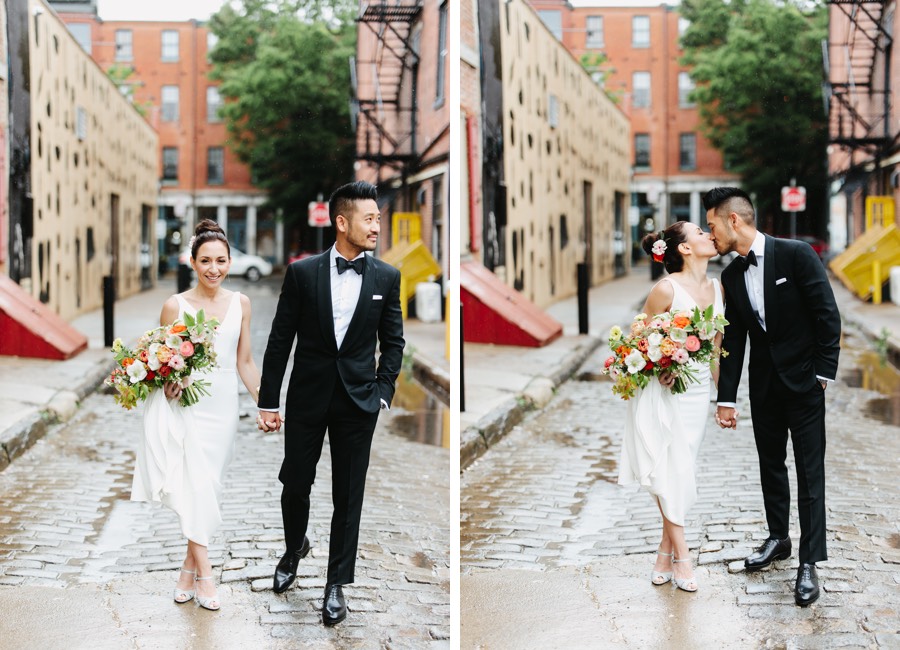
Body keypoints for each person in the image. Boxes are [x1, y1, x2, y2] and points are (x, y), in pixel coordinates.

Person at [257, 181, 404, 626]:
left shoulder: (386, 276)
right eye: (369, 218)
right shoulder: (303, 274)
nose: (377, 224)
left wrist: (383, 392)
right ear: (342, 222)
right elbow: (281, 339)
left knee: (348, 495)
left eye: (378, 217)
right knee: (295, 483)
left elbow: (393, 342)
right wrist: (269, 400)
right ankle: (293, 546)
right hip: (307, 398)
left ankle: (336, 583)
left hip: (359, 403)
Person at [704, 187, 840, 606]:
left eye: (712, 227)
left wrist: (822, 374)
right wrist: (727, 398)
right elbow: (736, 342)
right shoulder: (730, 276)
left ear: (734, 221)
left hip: (804, 385)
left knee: (809, 472)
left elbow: (826, 314)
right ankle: (778, 538)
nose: (710, 237)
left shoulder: (796, 255)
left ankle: (808, 562)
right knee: (770, 466)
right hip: (764, 388)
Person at [131, 219, 264, 611]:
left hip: (222, 408)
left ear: (229, 262)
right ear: (192, 261)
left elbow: (245, 361)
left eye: (221, 260)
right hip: (187, 404)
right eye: (205, 260)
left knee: (210, 488)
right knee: (195, 487)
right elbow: (163, 364)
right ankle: (206, 574)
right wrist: (167, 383)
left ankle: (186, 572)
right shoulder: (175, 305)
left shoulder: (241, 304)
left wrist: (265, 402)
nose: (214, 269)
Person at [618, 221, 724, 593]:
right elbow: (635, 342)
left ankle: (663, 553)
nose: (708, 235)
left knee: (681, 469)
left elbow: (715, 350)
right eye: (699, 231)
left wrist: (723, 397)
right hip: (666, 393)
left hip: (697, 396)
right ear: (684, 249)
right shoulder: (665, 289)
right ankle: (683, 554)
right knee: (673, 468)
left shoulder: (717, 287)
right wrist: (662, 365)